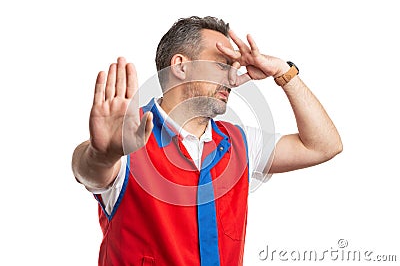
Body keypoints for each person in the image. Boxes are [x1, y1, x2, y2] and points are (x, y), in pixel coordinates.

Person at [72, 16, 342, 266]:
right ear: (180, 66)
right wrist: (102, 154)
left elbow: (324, 146)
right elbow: (90, 173)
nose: (232, 78)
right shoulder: (129, 137)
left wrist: (283, 72)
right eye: (222, 65)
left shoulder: (240, 142)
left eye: (233, 68)